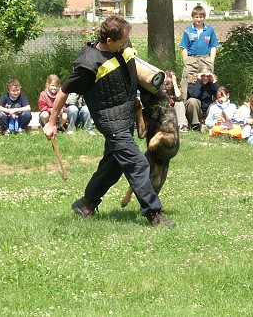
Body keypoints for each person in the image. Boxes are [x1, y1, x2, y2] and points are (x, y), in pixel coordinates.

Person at [42, 15, 174, 226]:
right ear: (109, 40)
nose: (126, 43)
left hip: (126, 117)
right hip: (111, 123)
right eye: (122, 41)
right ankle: (153, 213)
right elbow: (64, 91)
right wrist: (51, 121)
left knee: (113, 166)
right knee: (137, 163)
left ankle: (86, 204)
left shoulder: (121, 46)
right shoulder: (89, 64)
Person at [179, 5, 219, 100]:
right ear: (193, 17)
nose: (198, 19)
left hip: (205, 59)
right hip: (192, 59)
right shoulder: (188, 30)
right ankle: (185, 102)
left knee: (208, 80)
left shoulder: (209, 30)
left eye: (201, 17)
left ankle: (209, 104)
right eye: (196, 17)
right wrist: (186, 61)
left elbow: (213, 46)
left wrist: (211, 61)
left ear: (204, 17)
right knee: (187, 80)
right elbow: (184, 47)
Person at [185, 65, 219, 132]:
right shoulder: (192, 84)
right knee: (192, 101)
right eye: (203, 75)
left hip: (207, 111)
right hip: (196, 111)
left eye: (207, 76)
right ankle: (195, 125)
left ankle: (215, 125)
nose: (205, 78)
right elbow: (195, 95)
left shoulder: (211, 85)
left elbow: (220, 96)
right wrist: (199, 81)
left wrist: (214, 81)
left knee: (216, 104)